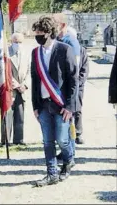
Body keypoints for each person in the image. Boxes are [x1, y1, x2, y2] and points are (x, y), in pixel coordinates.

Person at [31, 16, 78, 187]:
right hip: (43, 104)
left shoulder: (65, 50)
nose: (37, 36)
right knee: (47, 141)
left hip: (61, 105)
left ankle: (69, 159)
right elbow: (35, 80)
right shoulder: (35, 53)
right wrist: (35, 106)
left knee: (62, 140)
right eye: (36, 33)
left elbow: (73, 80)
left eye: (40, 33)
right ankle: (52, 173)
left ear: (50, 32)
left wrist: (70, 106)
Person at [53, 13, 81, 156]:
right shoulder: (56, 40)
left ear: (62, 25)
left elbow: (75, 67)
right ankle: (64, 151)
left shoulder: (71, 42)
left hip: (68, 88)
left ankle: (70, 152)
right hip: (57, 89)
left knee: (68, 120)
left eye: (54, 23)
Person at [1, 32, 30, 146]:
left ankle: (19, 139)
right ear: (11, 42)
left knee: (20, 115)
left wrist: (25, 85)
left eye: (20, 42)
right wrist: (16, 85)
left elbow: (29, 71)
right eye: (16, 42)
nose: (18, 44)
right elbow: (5, 72)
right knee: (8, 115)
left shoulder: (26, 54)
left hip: (22, 90)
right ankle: (6, 140)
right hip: (10, 89)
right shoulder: (6, 54)